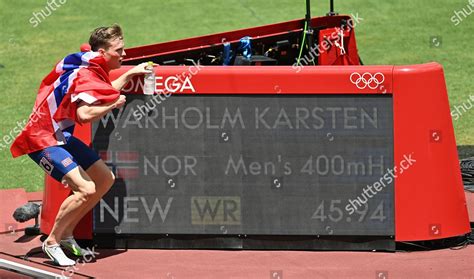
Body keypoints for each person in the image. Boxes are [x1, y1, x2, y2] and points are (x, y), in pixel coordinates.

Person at [10, 24, 153, 266]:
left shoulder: (91, 67)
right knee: (86, 188)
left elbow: (104, 91)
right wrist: (113, 104)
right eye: (119, 50)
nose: (125, 54)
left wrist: (130, 74)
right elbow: (85, 114)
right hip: (42, 139)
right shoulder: (86, 74)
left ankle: (66, 234)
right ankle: (52, 242)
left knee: (105, 179)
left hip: (61, 137)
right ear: (102, 52)